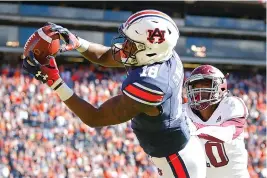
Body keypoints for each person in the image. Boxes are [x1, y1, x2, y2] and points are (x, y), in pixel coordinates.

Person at [22, 10, 206, 178]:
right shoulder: (161, 54)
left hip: (177, 161)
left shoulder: (151, 84)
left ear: (149, 52)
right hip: (173, 148)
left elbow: (95, 118)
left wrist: (55, 82)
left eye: (131, 44)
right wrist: (77, 42)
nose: (124, 45)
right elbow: (104, 57)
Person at [183, 65, 250, 178]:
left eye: (206, 84)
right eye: (195, 85)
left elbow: (227, 133)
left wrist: (192, 127)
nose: (200, 89)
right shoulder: (183, 111)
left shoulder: (232, 105)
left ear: (221, 87)